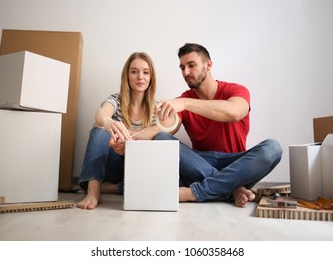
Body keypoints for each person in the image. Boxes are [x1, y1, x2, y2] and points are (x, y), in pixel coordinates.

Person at [154, 43, 283, 207]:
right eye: (182, 68)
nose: (186, 72)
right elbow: (164, 130)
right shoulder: (182, 100)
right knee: (160, 138)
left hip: (237, 166)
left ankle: (197, 192)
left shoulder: (236, 90)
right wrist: (147, 124)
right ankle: (232, 189)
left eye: (191, 65)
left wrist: (185, 103)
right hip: (200, 165)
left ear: (208, 65)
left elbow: (234, 112)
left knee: (273, 148)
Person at [78, 52, 161, 210]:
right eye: (134, 71)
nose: (140, 77)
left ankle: (113, 188)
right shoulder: (116, 99)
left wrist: (128, 135)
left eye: (145, 72)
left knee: (161, 139)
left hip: (137, 169)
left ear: (151, 77)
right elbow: (101, 114)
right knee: (99, 129)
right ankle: (94, 190)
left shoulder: (156, 108)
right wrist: (108, 122)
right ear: (127, 75)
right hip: (113, 165)